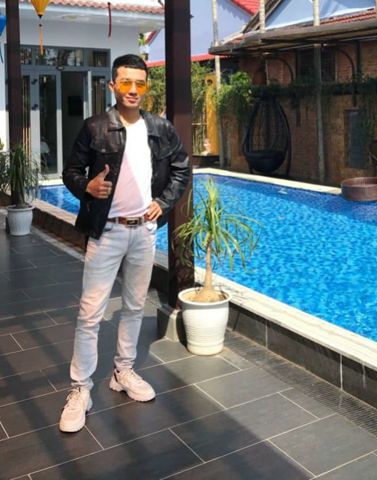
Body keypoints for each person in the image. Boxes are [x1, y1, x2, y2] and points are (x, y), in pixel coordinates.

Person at [59, 54, 190, 433]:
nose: (133, 89)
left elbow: (181, 167)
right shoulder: (95, 127)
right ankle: (80, 388)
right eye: (126, 82)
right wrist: (86, 187)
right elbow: (71, 171)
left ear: (145, 87)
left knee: (134, 306)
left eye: (140, 83)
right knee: (90, 314)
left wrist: (163, 202)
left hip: (143, 232)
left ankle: (123, 371)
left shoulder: (160, 128)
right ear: (112, 85)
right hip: (107, 231)